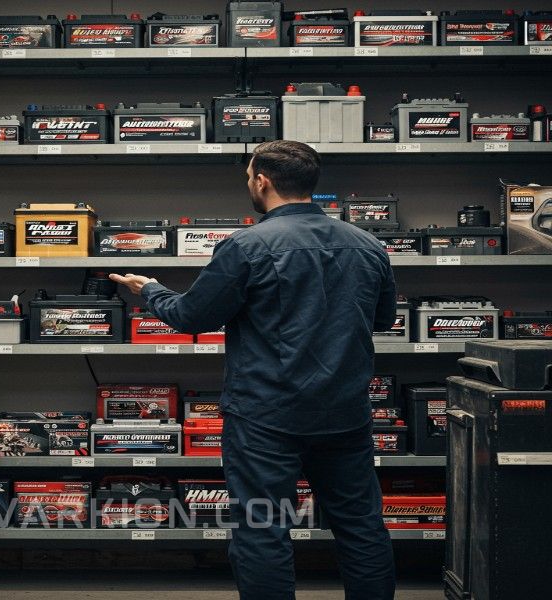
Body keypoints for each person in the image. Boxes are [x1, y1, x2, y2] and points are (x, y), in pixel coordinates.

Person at [110, 140, 397, 600]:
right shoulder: (368, 245)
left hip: (266, 417)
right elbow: (382, 320)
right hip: (344, 413)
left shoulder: (246, 245)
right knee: (361, 526)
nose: (249, 183)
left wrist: (151, 290)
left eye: (248, 176)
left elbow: (192, 317)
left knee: (264, 527)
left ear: (262, 181)